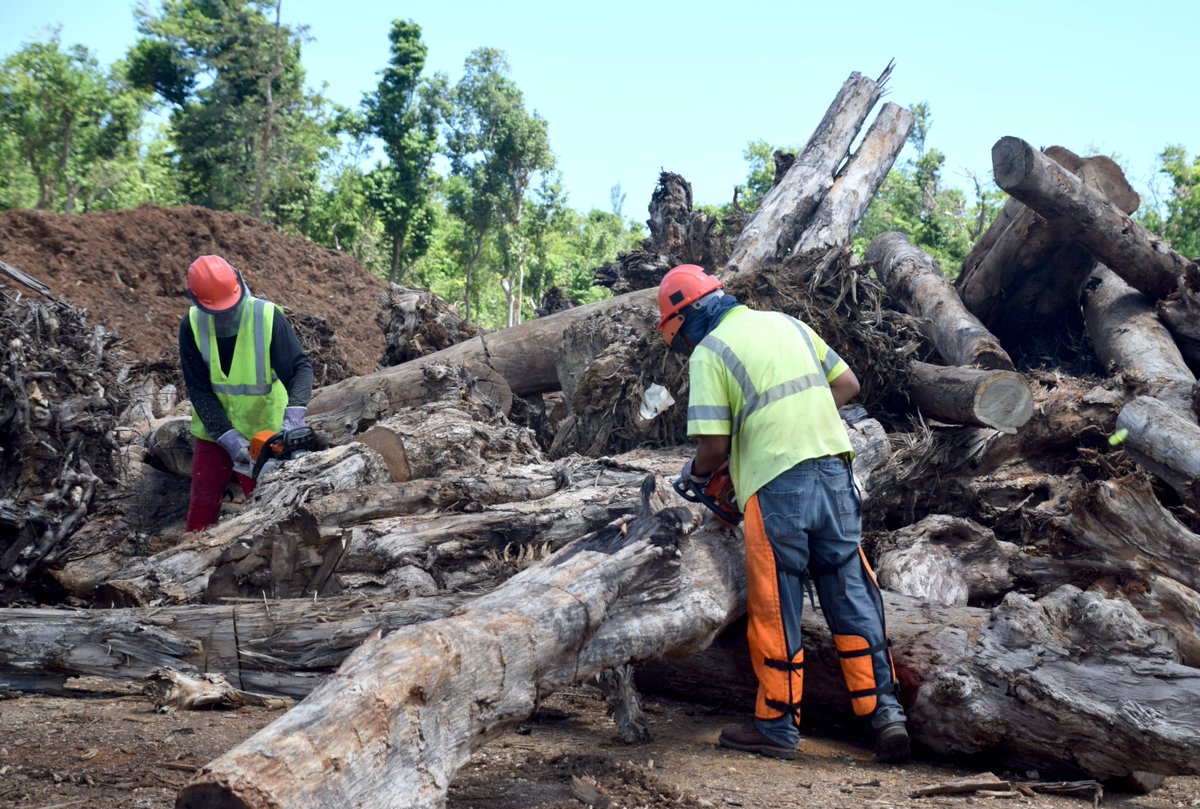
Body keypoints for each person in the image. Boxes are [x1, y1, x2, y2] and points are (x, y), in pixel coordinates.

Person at [656, 263, 909, 763]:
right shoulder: (788, 323)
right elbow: (848, 385)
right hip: (835, 473)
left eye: (680, 338)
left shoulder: (711, 351)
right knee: (852, 592)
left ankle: (775, 724)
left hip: (776, 486)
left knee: (777, 604)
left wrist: (698, 475)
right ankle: (885, 713)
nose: (684, 347)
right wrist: (799, 423)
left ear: (687, 319)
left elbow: (713, 447)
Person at [179, 255, 313, 532]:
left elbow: (299, 368)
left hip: (264, 431)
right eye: (219, 313)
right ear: (196, 302)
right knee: (203, 503)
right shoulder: (191, 326)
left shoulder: (266, 317)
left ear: (239, 286)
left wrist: (296, 414)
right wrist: (227, 437)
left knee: (268, 510)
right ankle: (190, 559)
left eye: (231, 309)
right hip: (214, 431)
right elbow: (198, 388)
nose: (227, 316)